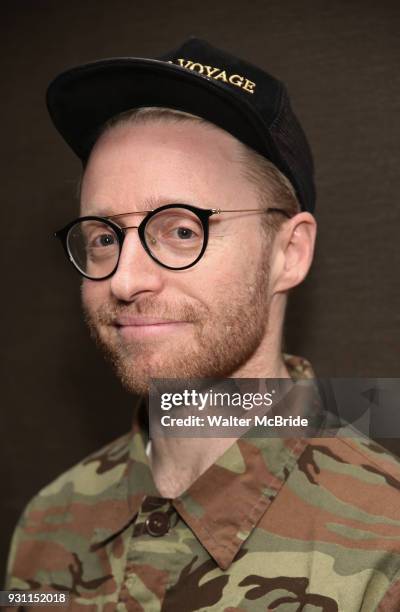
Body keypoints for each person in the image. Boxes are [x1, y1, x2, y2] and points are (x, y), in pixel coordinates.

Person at [5, 38, 400, 611]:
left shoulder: (384, 546)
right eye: (104, 237)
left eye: (182, 230)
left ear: (288, 253)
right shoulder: (49, 523)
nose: (125, 280)